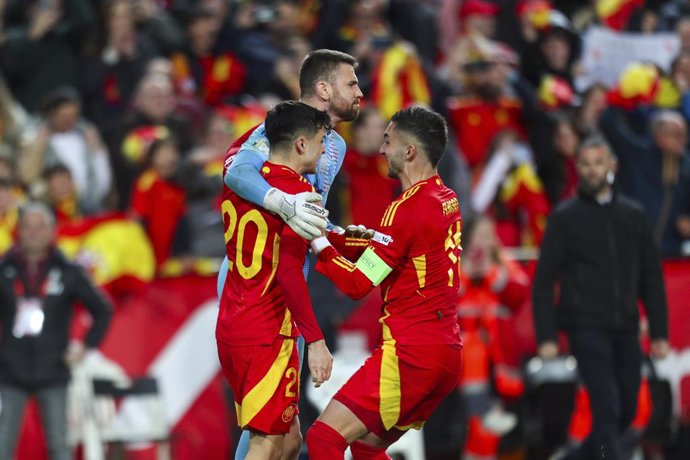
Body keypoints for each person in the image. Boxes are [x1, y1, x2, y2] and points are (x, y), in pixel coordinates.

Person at [219, 49, 362, 458]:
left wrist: (346, 236)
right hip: (260, 280)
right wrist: (283, 202)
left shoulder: (333, 146)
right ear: (323, 88)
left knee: (286, 430)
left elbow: (311, 217)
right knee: (266, 428)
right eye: (351, 83)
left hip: (289, 275)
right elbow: (236, 172)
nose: (359, 93)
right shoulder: (276, 131)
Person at [305, 106, 463, 458]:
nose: (381, 149)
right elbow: (399, 250)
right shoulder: (446, 199)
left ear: (409, 152)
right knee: (365, 448)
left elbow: (358, 285)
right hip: (445, 353)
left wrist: (317, 244)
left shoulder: (405, 208)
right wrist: (342, 238)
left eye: (388, 141)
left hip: (411, 355)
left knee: (324, 439)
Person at [532, 136, 670, 460]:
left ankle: (577, 457)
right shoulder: (564, 218)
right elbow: (543, 281)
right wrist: (547, 336)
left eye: (598, 163)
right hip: (585, 327)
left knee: (627, 407)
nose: (592, 170)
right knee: (606, 405)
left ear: (612, 166)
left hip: (626, 326)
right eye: (585, 164)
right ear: (578, 169)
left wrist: (661, 333)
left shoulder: (634, 216)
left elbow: (651, 278)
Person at [216, 101, 334, 460]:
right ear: (301, 144)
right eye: (321, 141)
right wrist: (315, 340)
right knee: (265, 444)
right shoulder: (299, 194)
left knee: (289, 440)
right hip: (267, 329)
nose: (325, 150)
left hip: (236, 321)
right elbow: (289, 273)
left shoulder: (244, 181)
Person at [0, 203, 113, 460]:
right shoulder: (3, 269)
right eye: (28, 226)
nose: (34, 232)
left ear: (52, 231)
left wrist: (86, 347)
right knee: (2, 445)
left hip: (53, 369)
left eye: (41, 226)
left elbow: (103, 309)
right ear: (19, 231)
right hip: (9, 370)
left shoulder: (68, 270)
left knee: (60, 446)